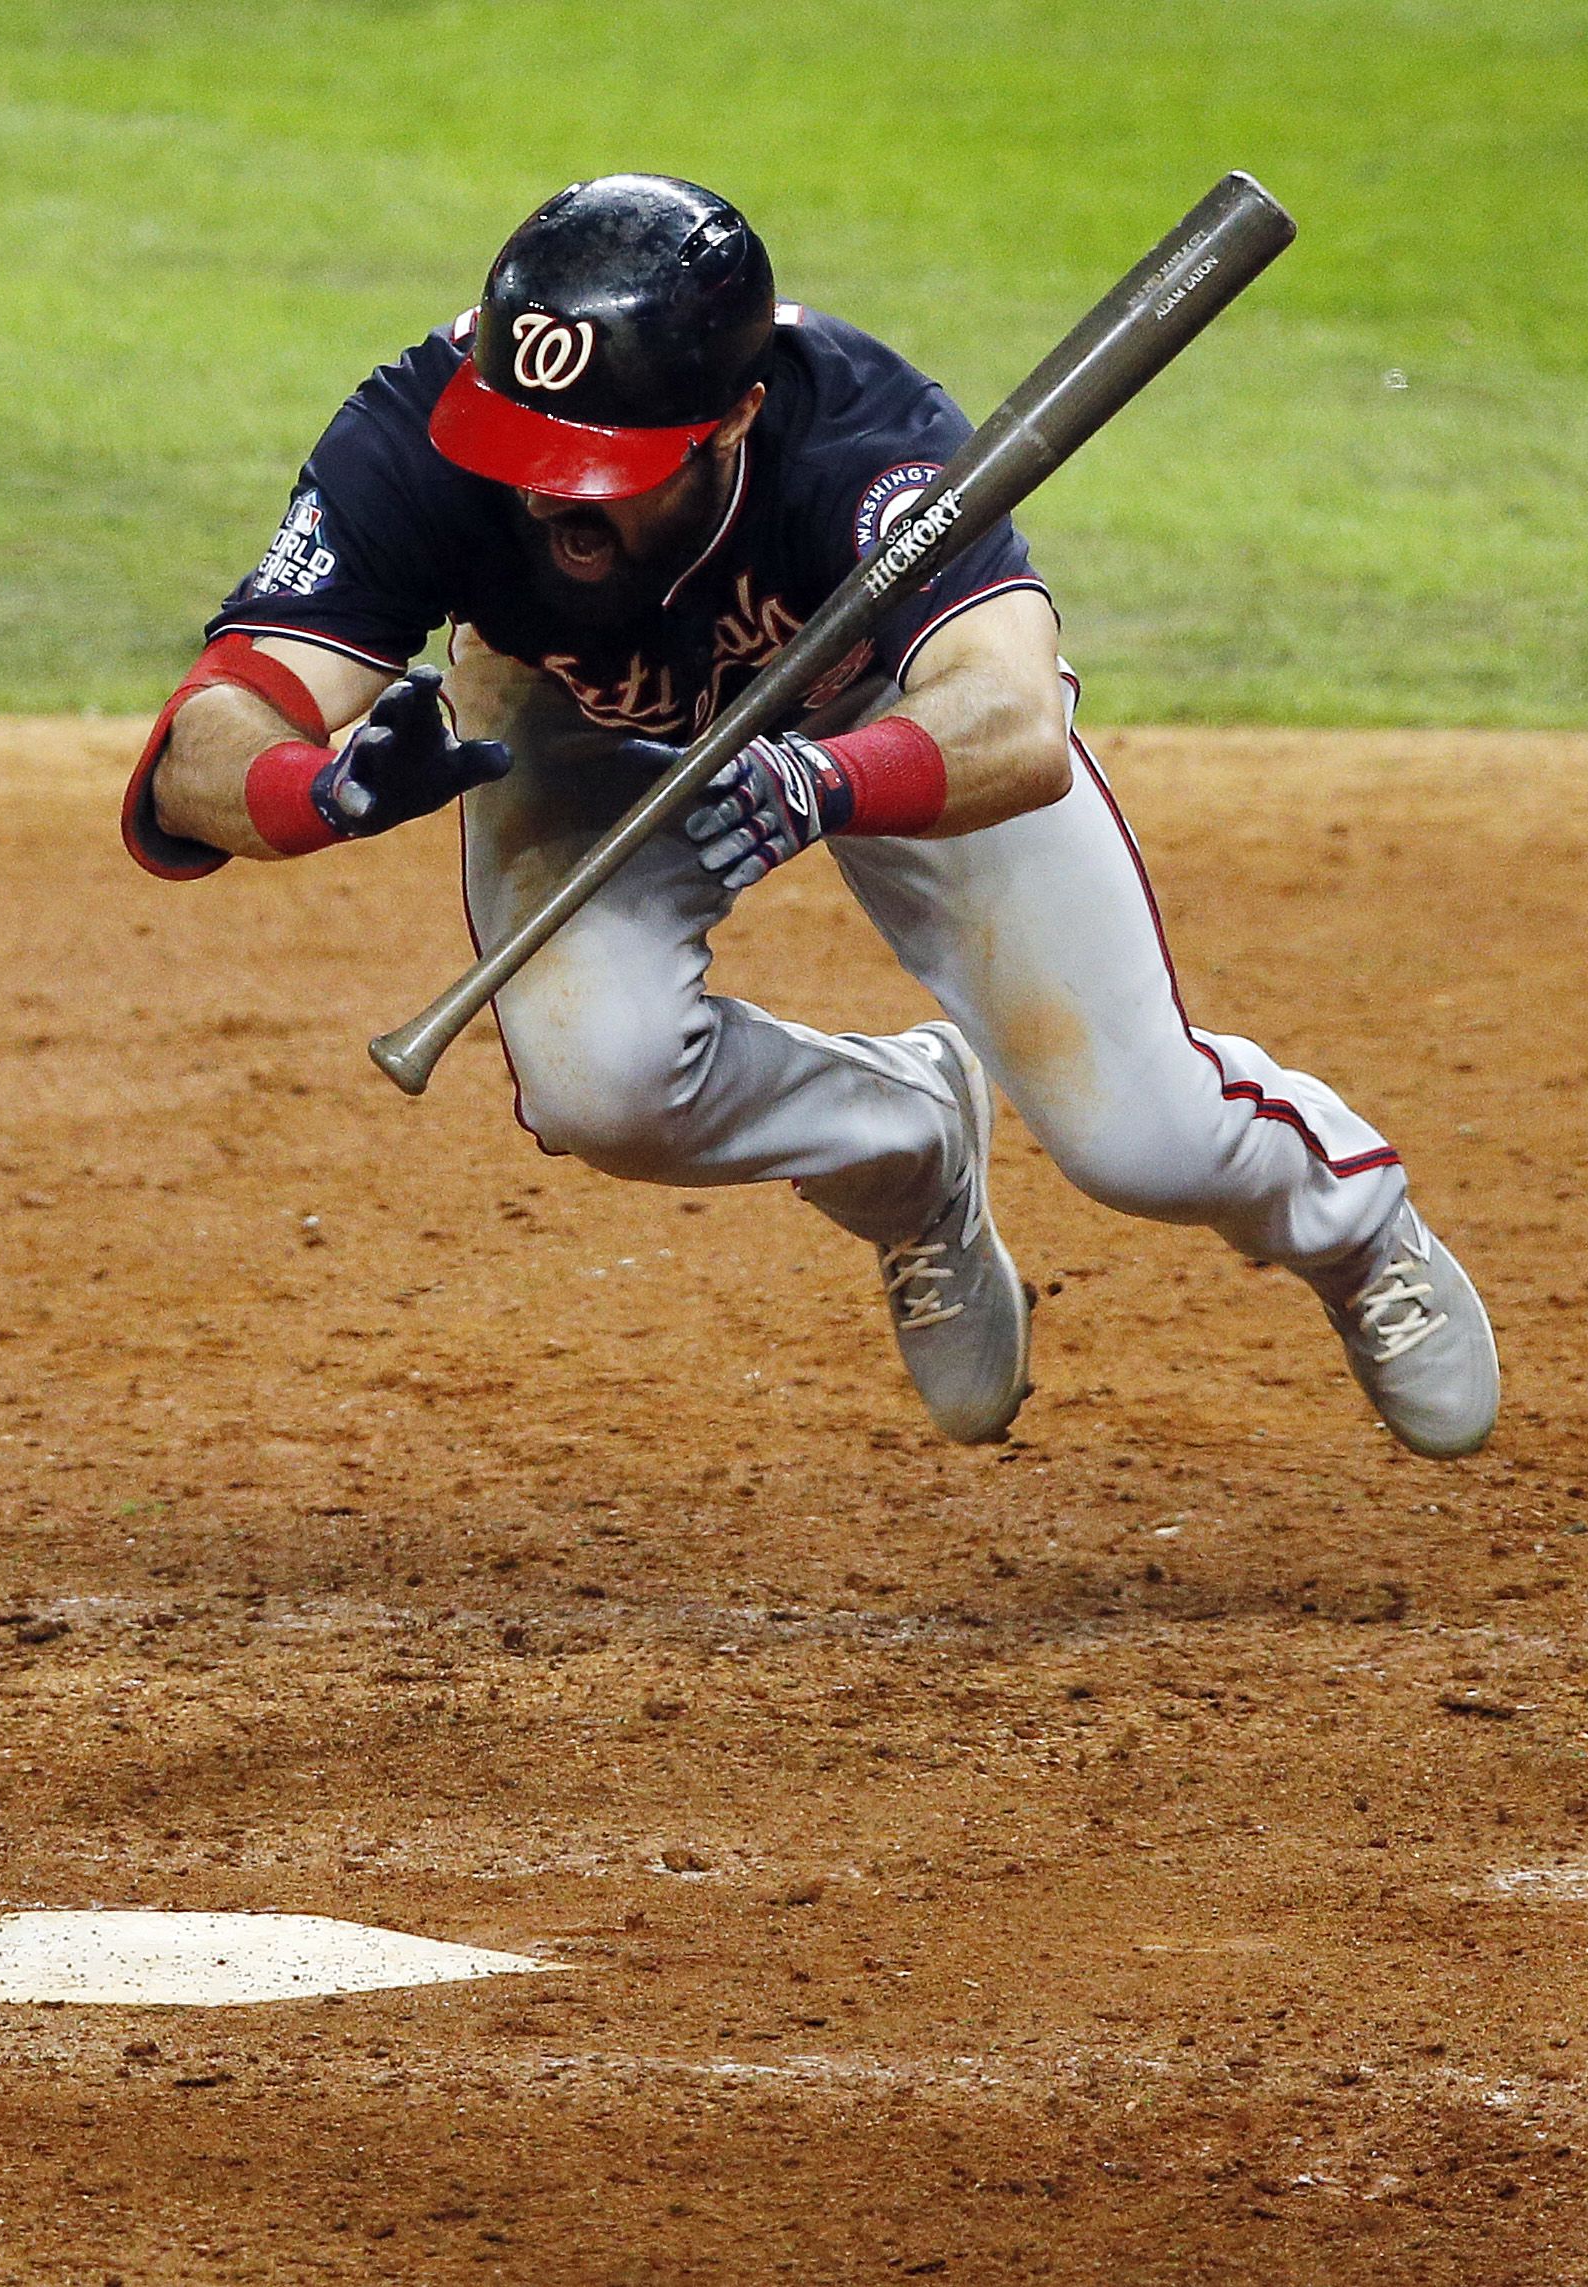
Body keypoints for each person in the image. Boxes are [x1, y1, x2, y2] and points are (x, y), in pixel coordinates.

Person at [117, 174, 1495, 1458]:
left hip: (883, 718)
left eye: (600, 463)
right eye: (527, 448)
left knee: (1142, 1138)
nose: (546, 491)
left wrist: (825, 778)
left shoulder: (863, 436)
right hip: (581, 722)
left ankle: (1352, 1224)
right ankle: (910, 1151)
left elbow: (1011, 721)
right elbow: (206, 738)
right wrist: (323, 790)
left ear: (729, 419)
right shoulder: (420, 440)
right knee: (604, 1086)